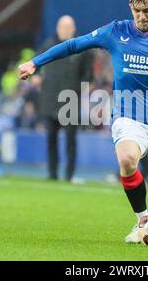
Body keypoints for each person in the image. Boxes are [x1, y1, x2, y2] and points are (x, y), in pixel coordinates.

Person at [19, 0, 148, 243]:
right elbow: (73, 45)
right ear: (130, 8)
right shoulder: (115, 31)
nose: (142, 17)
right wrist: (35, 62)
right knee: (126, 160)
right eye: (137, 11)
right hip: (127, 115)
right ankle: (141, 221)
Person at [36, 15, 94, 183]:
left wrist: (81, 90)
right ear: (57, 28)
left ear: (74, 29)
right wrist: (36, 77)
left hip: (70, 101)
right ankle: (52, 173)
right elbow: (36, 65)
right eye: (63, 27)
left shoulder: (81, 48)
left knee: (70, 140)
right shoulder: (47, 45)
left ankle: (69, 174)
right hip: (50, 99)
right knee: (51, 139)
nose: (66, 30)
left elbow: (88, 75)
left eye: (69, 27)